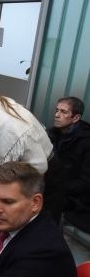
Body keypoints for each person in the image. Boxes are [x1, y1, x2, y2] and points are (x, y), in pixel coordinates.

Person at [46, 96, 90, 224]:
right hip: (54, 187)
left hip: (75, 198)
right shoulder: (52, 134)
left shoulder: (86, 141)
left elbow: (85, 183)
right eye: (57, 110)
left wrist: (55, 187)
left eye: (63, 112)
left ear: (76, 118)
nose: (57, 115)